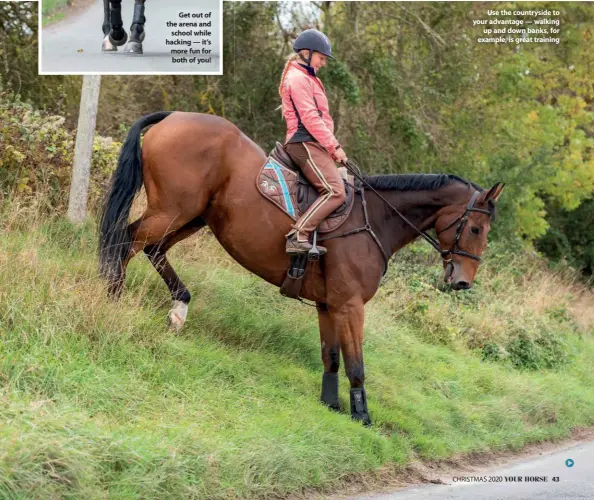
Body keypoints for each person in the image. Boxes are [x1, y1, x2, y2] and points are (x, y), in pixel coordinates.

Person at [278, 28, 348, 255]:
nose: (323, 63)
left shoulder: (308, 78)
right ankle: (298, 235)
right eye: (321, 58)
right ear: (306, 53)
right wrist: (334, 146)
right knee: (336, 191)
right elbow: (310, 118)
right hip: (304, 143)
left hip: (314, 143)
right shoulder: (297, 78)